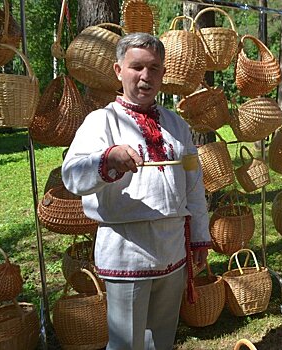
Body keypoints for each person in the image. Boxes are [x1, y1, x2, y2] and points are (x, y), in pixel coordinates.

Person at [62, 32, 211, 349]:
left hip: (173, 252)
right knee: (126, 344)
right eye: (137, 67)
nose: (146, 76)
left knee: (161, 340)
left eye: (154, 68)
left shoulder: (177, 125)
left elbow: (193, 185)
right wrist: (108, 160)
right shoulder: (100, 122)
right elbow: (71, 176)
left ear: (163, 73)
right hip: (126, 255)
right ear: (119, 70)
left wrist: (199, 235)